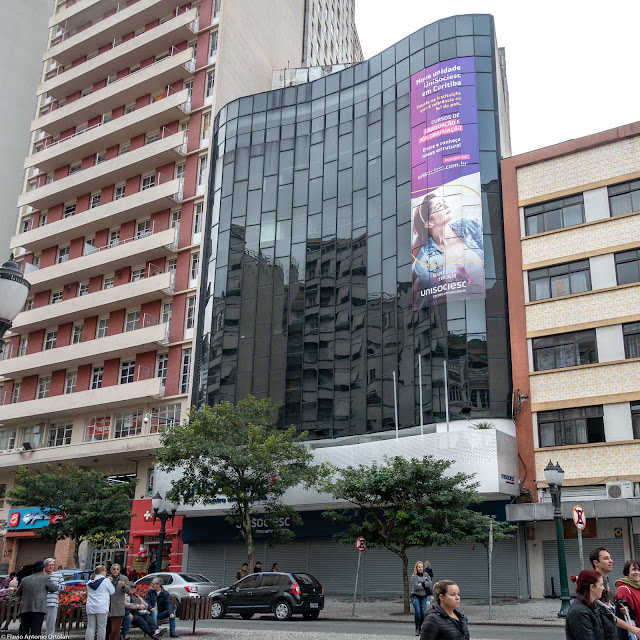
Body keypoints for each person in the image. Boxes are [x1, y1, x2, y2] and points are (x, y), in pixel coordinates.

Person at [412, 192, 484, 297]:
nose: (446, 205)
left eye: (444, 202)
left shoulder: (469, 226)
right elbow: (438, 295)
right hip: (455, 307)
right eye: (440, 206)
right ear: (429, 223)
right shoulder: (424, 261)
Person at [590, 546, 640, 640]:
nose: (611, 561)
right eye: (606, 558)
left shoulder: (605, 581)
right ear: (596, 563)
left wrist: (620, 611)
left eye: (610, 558)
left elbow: (610, 613)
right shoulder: (594, 585)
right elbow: (601, 615)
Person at [15, 559, 58, 639]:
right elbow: (54, 588)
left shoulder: (25, 579)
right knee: (36, 631)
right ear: (43, 569)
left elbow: (17, 593)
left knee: (24, 631)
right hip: (38, 608)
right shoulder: (45, 578)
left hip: (25, 608)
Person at [566, 569, 605, 640]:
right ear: (592, 587)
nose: (603, 588)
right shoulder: (579, 612)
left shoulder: (591, 606)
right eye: (601, 585)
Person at [86, 565, 115, 640]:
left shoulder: (90, 581)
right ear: (102, 572)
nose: (106, 573)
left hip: (90, 607)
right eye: (105, 571)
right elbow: (112, 591)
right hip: (102, 607)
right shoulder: (106, 581)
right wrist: (109, 581)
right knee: (101, 628)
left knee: (90, 627)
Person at [615, 559, 640, 632]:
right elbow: (628, 617)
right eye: (634, 570)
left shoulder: (638, 587)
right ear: (627, 572)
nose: (637, 572)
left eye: (639, 570)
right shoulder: (624, 589)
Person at [107, 564, 130, 640]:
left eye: (117, 569)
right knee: (107, 628)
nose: (115, 570)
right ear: (111, 570)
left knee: (116, 629)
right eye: (114, 569)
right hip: (107, 606)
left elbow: (129, 590)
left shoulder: (124, 578)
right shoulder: (107, 579)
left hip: (118, 606)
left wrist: (124, 586)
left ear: (119, 570)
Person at [409, 561, 432, 636]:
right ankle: (417, 629)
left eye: (421, 567)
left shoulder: (426, 575)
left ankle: (421, 628)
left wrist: (421, 584)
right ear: (416, 568)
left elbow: (430, 583)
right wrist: (425, 585)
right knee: (418, 612)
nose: (420, 568)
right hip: (415, 596)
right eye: (419, 567)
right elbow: (416, 587)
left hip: (424, 596)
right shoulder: (414, 576)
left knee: (423, 613)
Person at [44, 557, 64, 639]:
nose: (51, 567)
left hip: (52, 601)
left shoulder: (58, 575)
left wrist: (53, 586)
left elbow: (63, 587)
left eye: (52, 565)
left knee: (51, 623)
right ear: (45, 566)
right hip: (42, 601)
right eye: (49, 565)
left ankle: (49, 638)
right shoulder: (42, 575)